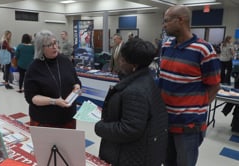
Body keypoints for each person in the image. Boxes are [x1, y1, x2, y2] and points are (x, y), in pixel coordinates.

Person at [159, 5, 221, 166]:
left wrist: (196, 108)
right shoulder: (166, 46)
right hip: (166, 121)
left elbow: (214, 85)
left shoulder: (203, 49)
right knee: (167, 162)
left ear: (181, 20)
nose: (164, 25)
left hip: (189, 125)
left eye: (166, 21)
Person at [95, 38, 168, 166]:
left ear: (134, 65)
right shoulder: (145, 79)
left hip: (131, 155)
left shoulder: (135, 90)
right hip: (139, 151)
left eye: (122, 59)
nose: (119, 62)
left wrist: (100, 127)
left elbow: (130, 129)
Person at [24, 30, 81, 129]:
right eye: (50, 45)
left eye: (55, 42)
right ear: (41, 48)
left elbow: (75, 80)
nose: (55, 46)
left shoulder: (65, 61)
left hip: (68, 118)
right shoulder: (34, 68)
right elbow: (31, 98)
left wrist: (77, 87)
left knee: (68, 144)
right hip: (44, 121)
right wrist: (54, 101)